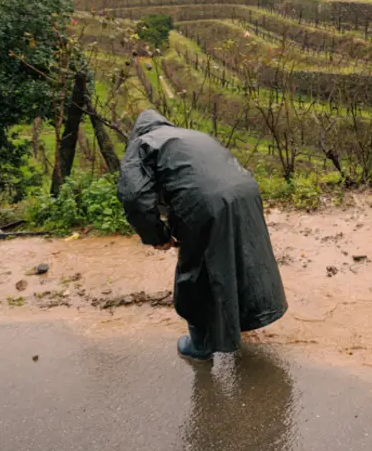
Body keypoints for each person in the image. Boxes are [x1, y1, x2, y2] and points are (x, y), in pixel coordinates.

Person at [118, 109, 287, 360]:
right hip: (246, 192)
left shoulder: (142, 144)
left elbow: (133, 197)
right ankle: (247, 320)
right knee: (245, 255)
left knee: (197, 271)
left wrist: (158, 236)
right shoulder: (190, 135)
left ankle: (201, 345)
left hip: (204, 202)